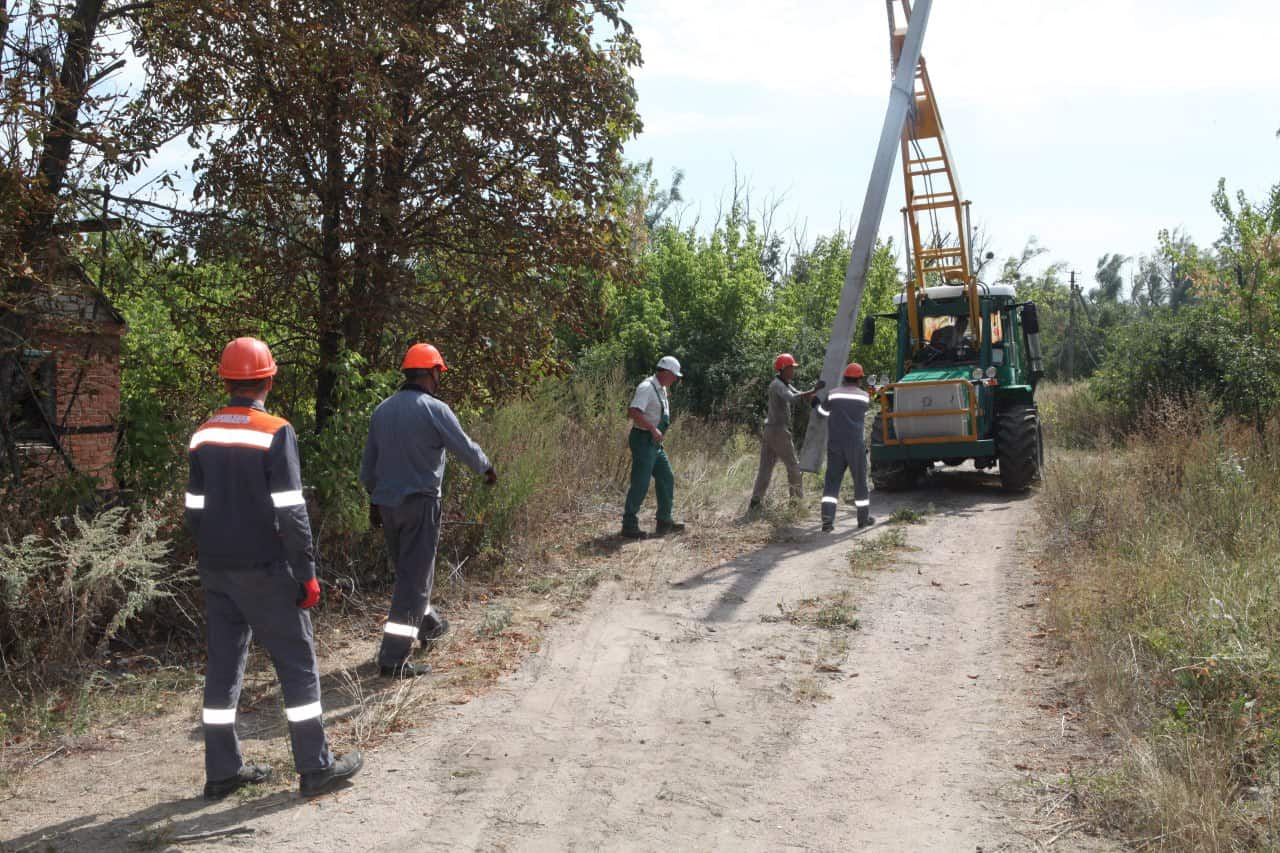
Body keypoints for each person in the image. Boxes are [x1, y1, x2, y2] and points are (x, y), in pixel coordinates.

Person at [186, 337, 362, 800]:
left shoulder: (202, 434)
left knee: (223, 669)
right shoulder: (275, 430)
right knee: (298, 666)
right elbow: (291, 512)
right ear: (268, 378)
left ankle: (222, 772)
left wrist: (213, 556)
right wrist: (305, 572)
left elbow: (193, 511)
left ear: (226, 379)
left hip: (217, 569)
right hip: (266, 570)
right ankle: (315, 767)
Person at [361, 343, 496, 679]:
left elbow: (368, 468)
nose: (439, 380)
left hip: (387, 506)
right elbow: (463, 445)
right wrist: (487, 469)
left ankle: (430, 626)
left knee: (409, 576)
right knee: (414, 583)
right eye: (439, 373)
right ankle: (393, 659)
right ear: (432, 372)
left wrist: (372, 502)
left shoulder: (382, 410)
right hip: (420, 505)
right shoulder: (435, 409)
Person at [621, 355, 687, 540]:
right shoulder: (646, 388)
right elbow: (633, 411)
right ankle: (629, 525)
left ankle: (664, 521)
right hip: (643, 439)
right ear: (664, 372)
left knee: (666, 477)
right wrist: (652, 429)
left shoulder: (662, 389)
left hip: (654, 443)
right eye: (674, 375)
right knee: (640, 482)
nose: (676, 379)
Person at [748, 353, 822, 510]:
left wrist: (814, 397)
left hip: (770, 430)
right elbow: (793, 398)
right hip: (778, 431)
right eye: (791, 368)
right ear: (783, 369)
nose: (793, 371)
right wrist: (813, 389)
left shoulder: (783, 382)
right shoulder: (778, 385)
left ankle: (755, 502)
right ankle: (796, 503)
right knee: (793, 466)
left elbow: (800, 394)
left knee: (765, 468)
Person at [811, 362, 875, 532]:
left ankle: (827, 521)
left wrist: (816, 403)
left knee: (832, 483)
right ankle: (862, 519)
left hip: (836, 445)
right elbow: (865, 413)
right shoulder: (864, 397)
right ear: (859, 379)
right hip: (856, 445)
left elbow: (822, 414)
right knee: (860, 482)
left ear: (844, 377)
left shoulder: (833, 395)